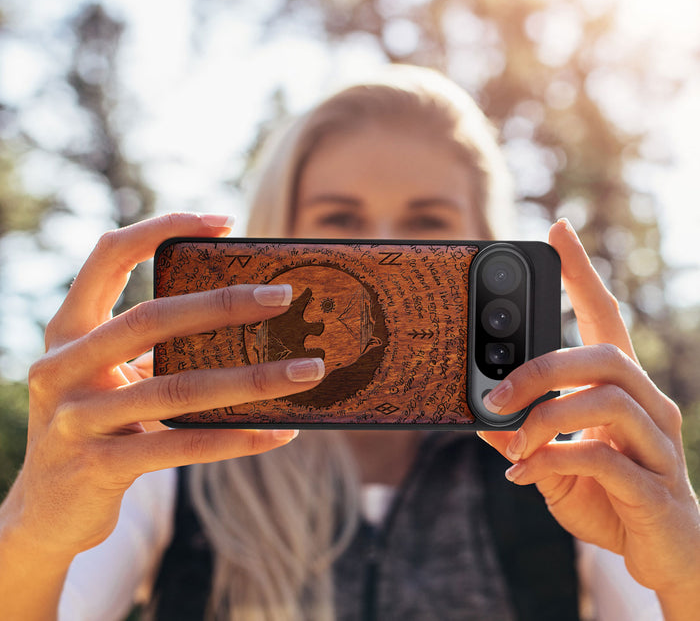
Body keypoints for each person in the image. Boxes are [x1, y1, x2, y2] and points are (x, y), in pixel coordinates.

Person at [0, 66, 698, 621]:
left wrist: (685, 569)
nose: (385, 252)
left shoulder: (567, 464)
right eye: (340, 220)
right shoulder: (171, 457)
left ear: (487, 245)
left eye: (427, 223)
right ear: (278, 235)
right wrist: (34, 528)